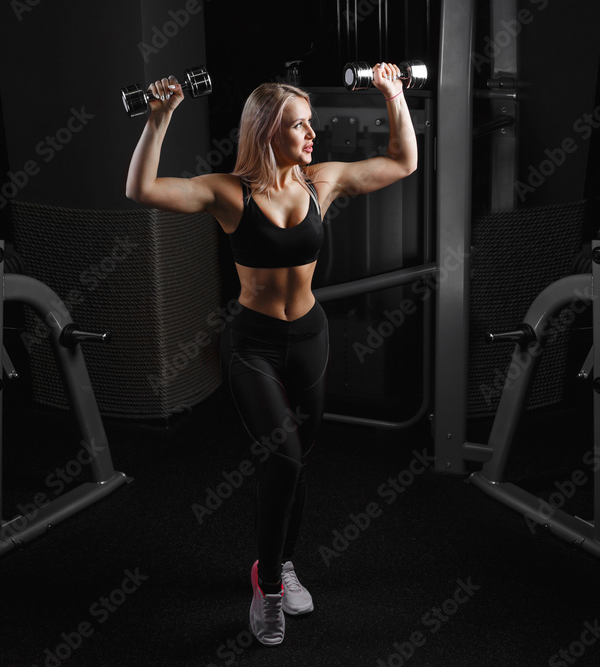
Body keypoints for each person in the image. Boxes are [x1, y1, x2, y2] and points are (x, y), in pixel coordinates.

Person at [125, 62, 417, 646]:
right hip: (254, 345)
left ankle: (283, 561)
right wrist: (158, 120)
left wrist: (393, 94)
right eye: (299, 127)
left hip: (310, 337)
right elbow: (142, 190)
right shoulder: (229, 193)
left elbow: (402, 161)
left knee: (297, 460)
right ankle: (269, 588)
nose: (313, 135)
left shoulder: (321, 182)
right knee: (281, 456)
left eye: (311, 124)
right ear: (266, 133)